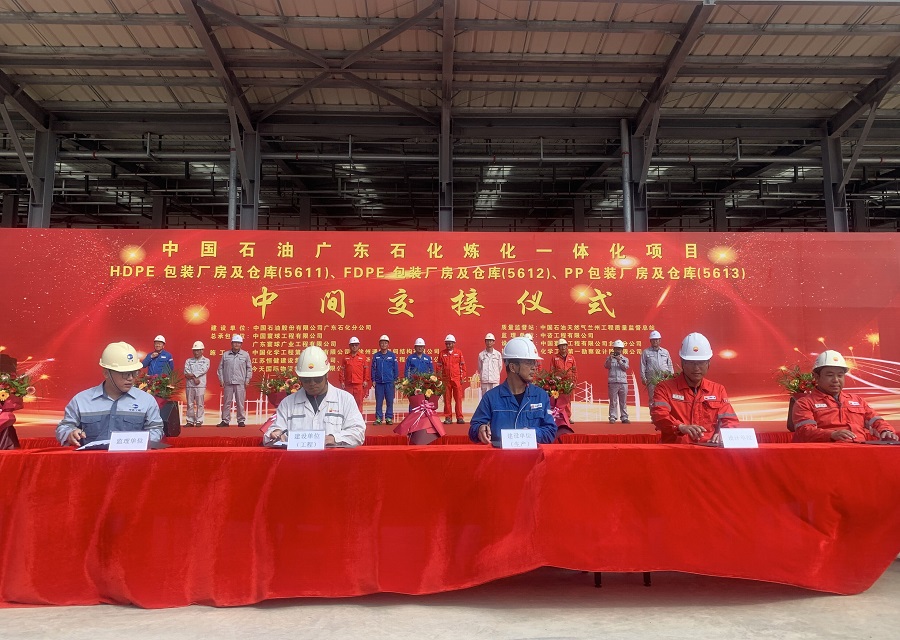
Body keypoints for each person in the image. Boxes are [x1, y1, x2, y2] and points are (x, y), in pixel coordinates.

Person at [56, 342, 164, 446]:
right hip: (91, 459)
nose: (130, 378)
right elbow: (64, 427)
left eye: (134, 372)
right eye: (124, 373)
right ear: (106, 373)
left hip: (132, 459)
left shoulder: (147, 401)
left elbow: (156, 430)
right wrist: (70, 434)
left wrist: (141, 442)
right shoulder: (81, 401)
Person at [265, 346, 366, 447]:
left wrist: (334, 438)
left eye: (317, 379)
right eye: (306, 379)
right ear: (300, 378)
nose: (312, 383)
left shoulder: (345, 400)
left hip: (332, 457)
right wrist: (275, 433)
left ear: (326, 375)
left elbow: (358, 432)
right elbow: (269, 434)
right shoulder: (287, 403)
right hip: (297, 457)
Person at [650, 332, 739, 444]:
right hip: (675, 451)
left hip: (708, 451)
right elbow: (659, 415)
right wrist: (680, 427)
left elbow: (730, 420)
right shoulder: (664, 389)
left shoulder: (718, 390)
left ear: (709, 363)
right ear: (682, 363)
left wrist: (723, 434)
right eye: (691, 363)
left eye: (701, 363)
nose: (696, 368)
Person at [792, 350, 897, 443]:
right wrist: (832, 435)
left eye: (840, 375)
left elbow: (876, 421)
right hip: (827, 453)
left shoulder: (858, 401)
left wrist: (886, 431)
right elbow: (804, 432)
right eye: (830, 375)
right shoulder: (804, 403)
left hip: (861, 450)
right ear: (816, 377)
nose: (836, 380)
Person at [469, 336, 557, 445]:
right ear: (513, 367)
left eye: (534, 362)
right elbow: (474, 428)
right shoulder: (491, 398)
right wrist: (479, 429)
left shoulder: (541, 396)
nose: (534, 367)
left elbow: (550, 431)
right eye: (528, 362)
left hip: (531, 456)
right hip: (500, 455)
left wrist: (529, 434)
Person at [217, 334, 253, 427]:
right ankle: (225, 420)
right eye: (235, 342)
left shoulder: (245, 355)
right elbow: (220, 368)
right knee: (227, 402)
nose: (236, 344)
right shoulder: (225, 354)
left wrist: (247, 379)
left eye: (238, 343)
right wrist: (221, 380)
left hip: (240, 382)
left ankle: (241, 420)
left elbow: (249, 368)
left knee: (240, 402)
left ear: (241, 344)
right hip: (228, 382)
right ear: (231, 343)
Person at [438, 334, 467, 424]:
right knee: (447, 399)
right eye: (447, 343)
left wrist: (462, 377)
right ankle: (448, 417)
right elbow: (439, 367)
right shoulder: (442, 353)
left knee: (458, 399)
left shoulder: (459, 353)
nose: (448, 345)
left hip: (456, 379)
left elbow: (462, 366)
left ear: (454, 343)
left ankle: (459, 417)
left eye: (450, 343)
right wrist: (440, 379)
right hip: (446, 380)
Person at [370, 334, 399, 425]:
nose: (383, 345)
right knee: (379, 401)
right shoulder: (376, 356)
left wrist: (395, 379)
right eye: (382, 343)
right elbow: (373, 369)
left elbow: (395, 368)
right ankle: (378, 418)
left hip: (389, 382)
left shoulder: (392, 356)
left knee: (389, 401)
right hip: (379, 382)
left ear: (388, 344)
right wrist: (373, 380)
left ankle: (388, 418)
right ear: (379, 344)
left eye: (385, 343)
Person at [640, 330, 674, 405]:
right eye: (653, 340)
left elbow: (670, 365)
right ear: (650, 341)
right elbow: (643, 365)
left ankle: (664, 412)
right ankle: (653, 412)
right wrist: (643, 378)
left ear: (660, 340)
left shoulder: (665, 352)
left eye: (656, 339)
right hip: (651, 379)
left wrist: (672, 376)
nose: (655, 341)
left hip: (664, 378)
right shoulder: (646, 352)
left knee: (665, 397)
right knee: (652, 398)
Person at [339, 336, 370, 412]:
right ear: (349, 346)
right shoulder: (345, 357)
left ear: (359, 346)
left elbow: (366, 370)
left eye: (356, 345)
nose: (354, 347)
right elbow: (342, 370)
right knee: (348, 403)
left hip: (359, 385)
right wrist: (342, 381)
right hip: (348, 385)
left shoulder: (363, 357)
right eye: (352, 345)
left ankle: (359, 418)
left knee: (359, 403)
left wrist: (366, 380)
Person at [550, 337, 577, 424]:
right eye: (561, 346)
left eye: (564, 345)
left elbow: (574, 371)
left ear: (567, 346)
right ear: (558, 347)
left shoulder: (571, 358)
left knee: (568, 401)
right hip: (558, 382)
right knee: (558, 400)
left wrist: (574, 381)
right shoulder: (554, 358)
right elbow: (551, 370)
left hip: (568, 383)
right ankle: (558, 417)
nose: (563, 347)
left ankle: (568, 417)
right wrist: (553, 381)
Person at [183, 340, 210, 427]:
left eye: (198, 350)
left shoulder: (206, 360)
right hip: (190, 385)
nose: (196, 352)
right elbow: (186, 371)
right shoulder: (188, 361)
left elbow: (203, 370)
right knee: (190, 403)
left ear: (202, 350)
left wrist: (193, 375)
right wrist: (194, 378)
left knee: (200, 403)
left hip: (200, 385)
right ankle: (190, 421)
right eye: (194, 350)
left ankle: (199, 420)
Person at [604, 340, 630, 424]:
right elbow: (606, 366)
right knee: (613, 401)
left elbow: (625, 368)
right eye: (616, 348)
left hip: (623, 382)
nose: (618, 350)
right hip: (613, 382)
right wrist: (610, 359)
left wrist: (619, 360)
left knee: (623, 401)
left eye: (619, 349)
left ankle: (624, 417)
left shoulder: (625, 359)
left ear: (622, 350)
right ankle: (612, 416)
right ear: (613, 349)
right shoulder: (609, 358)